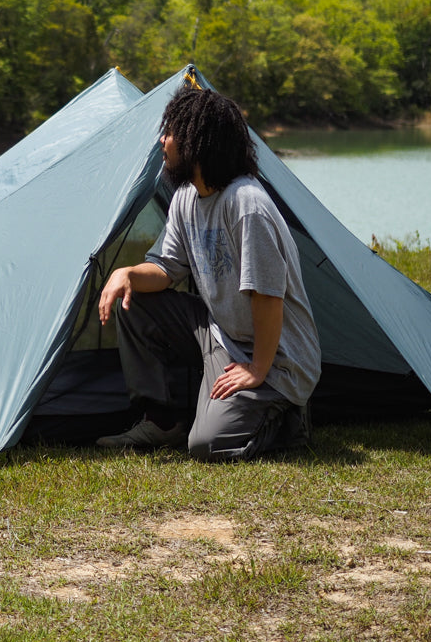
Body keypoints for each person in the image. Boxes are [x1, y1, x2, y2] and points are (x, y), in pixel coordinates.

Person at [96, 87, 321, 460]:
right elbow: (167, 268)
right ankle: (162, 420)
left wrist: (258, 368)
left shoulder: (246, 204)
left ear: (197, 141)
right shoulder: (186, 197)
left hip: (276, 355)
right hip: (221, 331)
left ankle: (288, 420)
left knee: (208, 446)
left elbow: (267, 296)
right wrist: (129, 274)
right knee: (132, 303)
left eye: (170, 132)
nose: (162, 140)